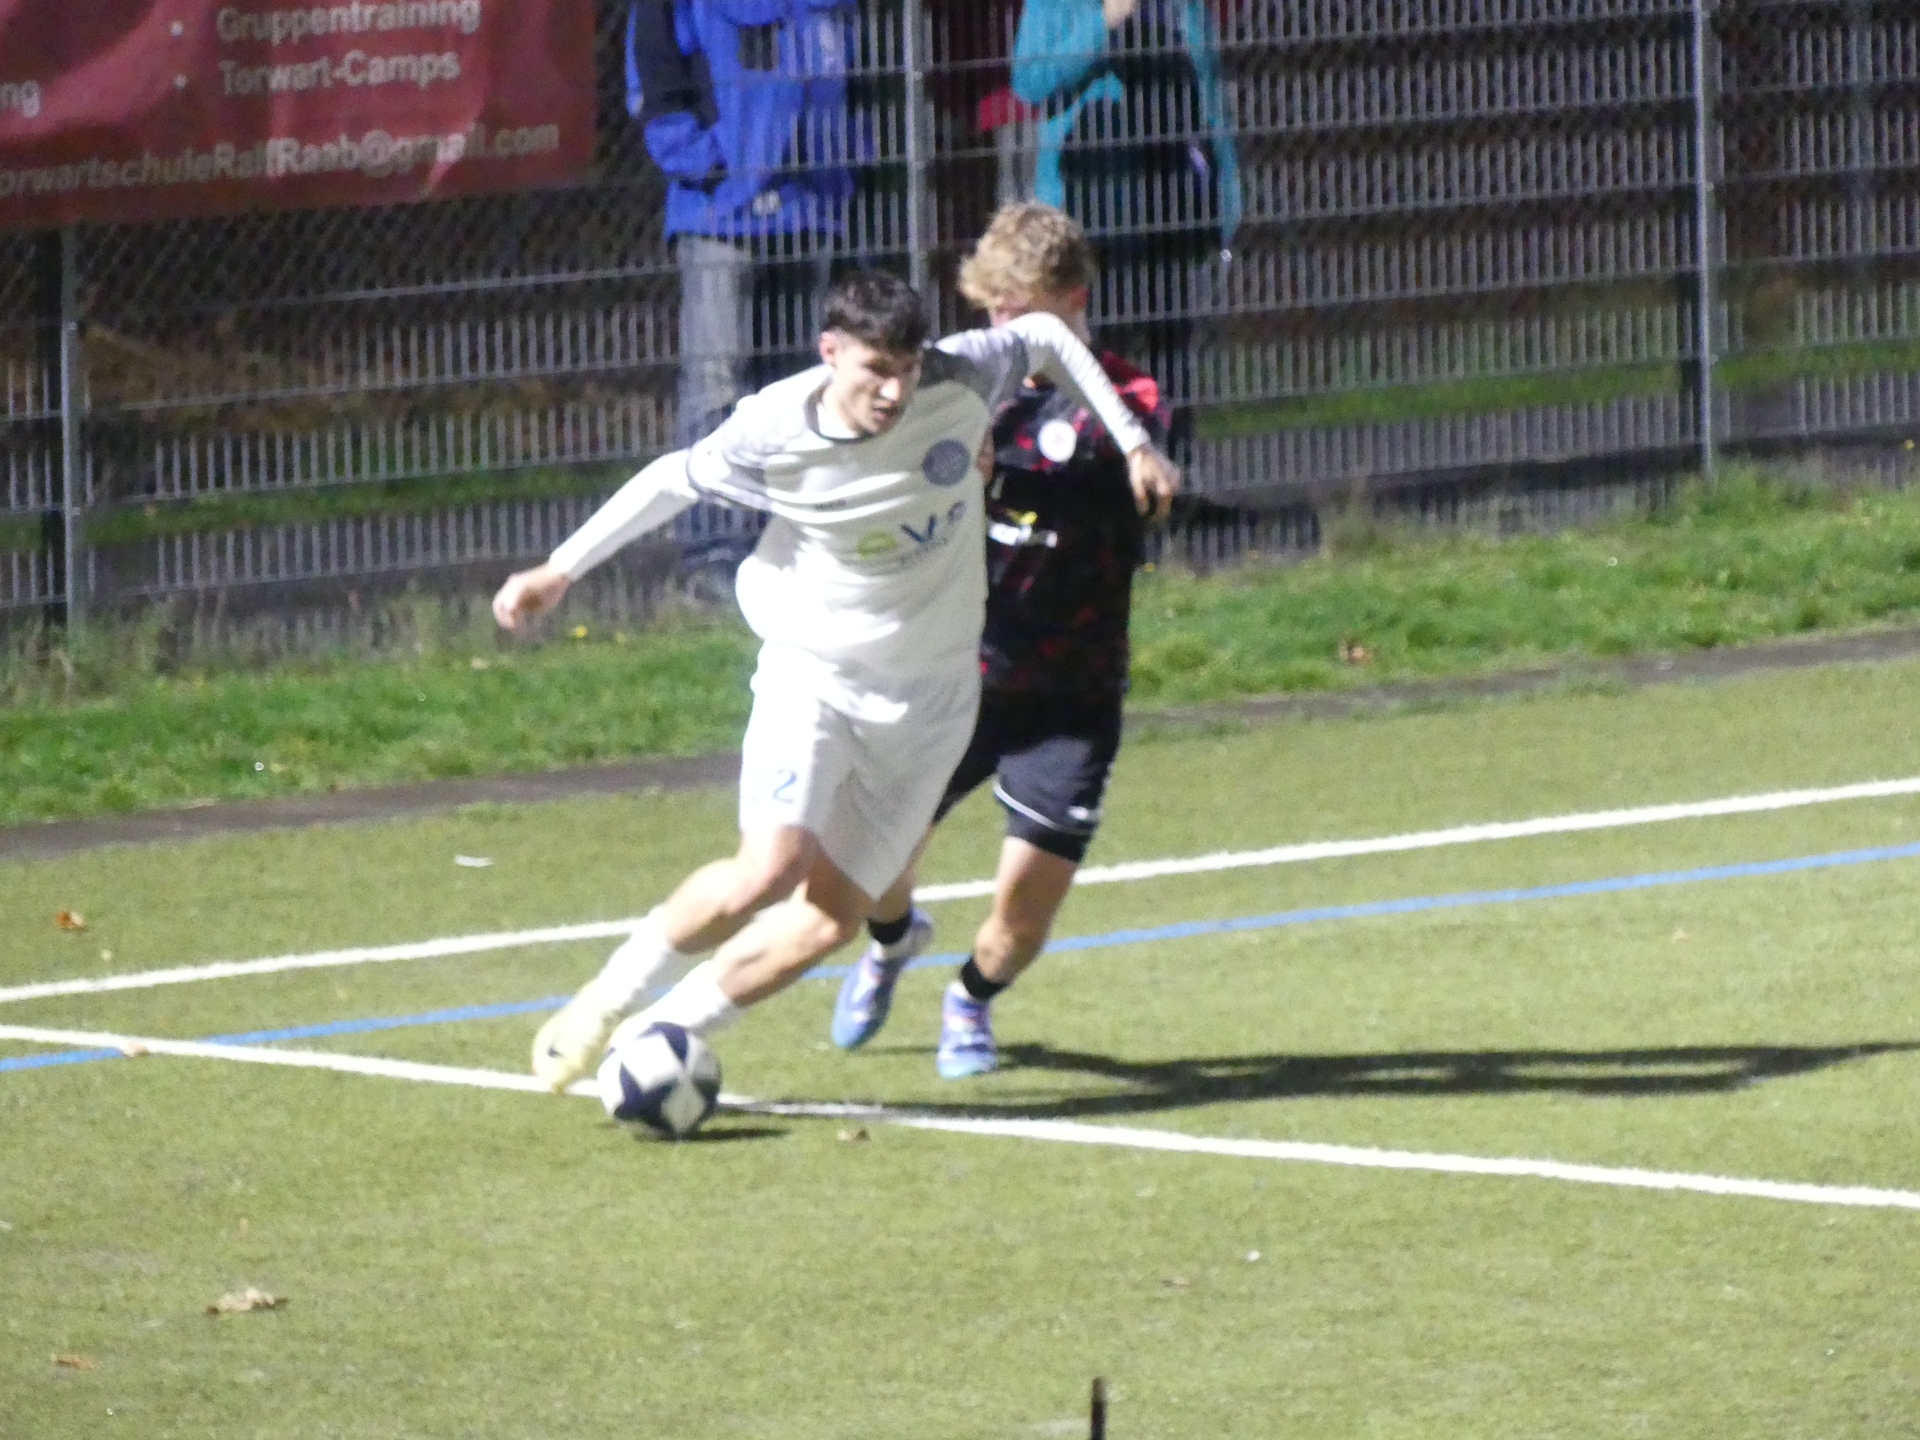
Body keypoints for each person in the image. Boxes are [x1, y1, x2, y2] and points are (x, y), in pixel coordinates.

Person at [493, 269, 1180, 1092]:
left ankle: (659, 1037)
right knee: (768, 870)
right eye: (875, 370)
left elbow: (1046, 338)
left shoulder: (959, 375)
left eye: (906, 369)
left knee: (829, 921)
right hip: (813, 674)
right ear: (830, 352)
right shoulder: (774, 427)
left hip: (932, 705)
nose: (894, 391)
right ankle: (605, 1003)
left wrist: (1134, 443)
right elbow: (673, 479)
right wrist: (560, 570)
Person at [828, 202, 1166, 1078]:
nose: (1001, 329)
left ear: (1073, 301)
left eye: (1019, 312)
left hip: (1072, 693)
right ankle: (893, 941)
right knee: (874, 862)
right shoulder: (961, 393)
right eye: (992, 310)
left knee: (1023, 910)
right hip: (959, 677)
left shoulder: (1128, 401)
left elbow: (1137, 481)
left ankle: (970, 999)